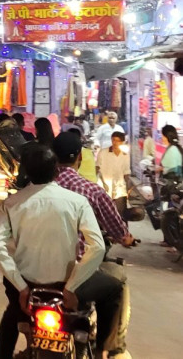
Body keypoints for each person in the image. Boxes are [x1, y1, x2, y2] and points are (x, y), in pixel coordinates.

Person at [0, 145, 121, 359]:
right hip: (66, 287)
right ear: (56, 170)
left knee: (12, 313)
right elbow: (97, 247)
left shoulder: (11, 204)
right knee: (114, 288)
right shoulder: (77, 202)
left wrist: (21, 287)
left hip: (27, 288)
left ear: (26, 172)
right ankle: (102, 351)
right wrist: (71, 287)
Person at [52, 131, 134, 359]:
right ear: (80, 157)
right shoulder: (91, 190)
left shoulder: (38, 189)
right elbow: (117, 230)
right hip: (75, 278)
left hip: (37, 276)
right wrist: (126, 238)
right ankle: (106, 350)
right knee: (116, 286)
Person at [97, 131, 131, 215]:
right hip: (105, 186)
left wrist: (128, 188)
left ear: (122, 142)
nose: (114, 143)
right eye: (113, 140)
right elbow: (97, 167)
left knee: (120, 213)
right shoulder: (103, 152)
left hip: (120, 188)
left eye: (117, 141)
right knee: (106, 212)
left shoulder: (125, 154)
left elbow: (126, 172)